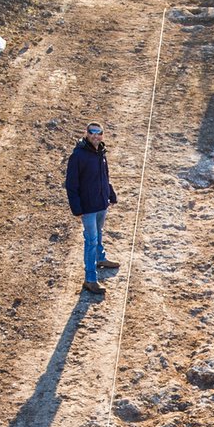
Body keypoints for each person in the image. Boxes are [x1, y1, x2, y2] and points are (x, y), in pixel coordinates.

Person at [65, 121, 117, 299]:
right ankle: (90, 278)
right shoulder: (78, 155)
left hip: (101, 203)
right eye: (92, 132)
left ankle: (100, 258)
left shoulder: (101, 152)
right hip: (87, 207)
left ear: (102, 134)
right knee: (91, 240)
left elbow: (105, 176)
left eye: (99, 132)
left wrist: (110, 193)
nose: (95, 135)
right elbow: (71, 184)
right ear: (86, 133)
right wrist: (76, 208)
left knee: (98, 233)